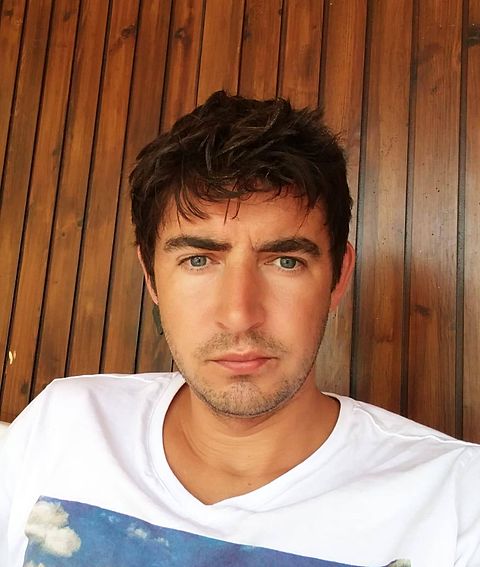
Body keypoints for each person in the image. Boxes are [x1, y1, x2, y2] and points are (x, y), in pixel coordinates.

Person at [0, 91, 478, 567]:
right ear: (151, 277)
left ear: (338, 277)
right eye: (198, 260)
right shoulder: (64, 423)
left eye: (285, 261)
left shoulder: (456, 501)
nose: (239, 315)